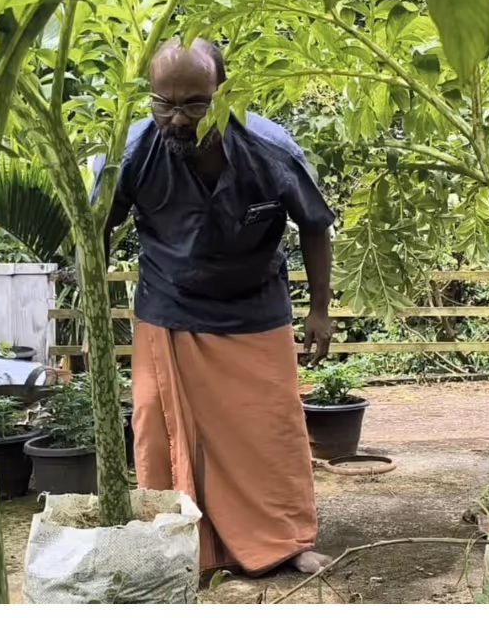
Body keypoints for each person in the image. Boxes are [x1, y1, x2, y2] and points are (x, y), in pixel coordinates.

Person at [91, 37, 337, 576]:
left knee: (271, 431)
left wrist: (320, 309)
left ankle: (286, 540)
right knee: (156, 427)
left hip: (254, 308)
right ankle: (174, 545)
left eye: (194, 103)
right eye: (164, 103)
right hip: (168, 307)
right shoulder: (132, 151)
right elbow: (95, 228)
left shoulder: (269, 149)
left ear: (223, 94)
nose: (177, 118)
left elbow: (315, 224)